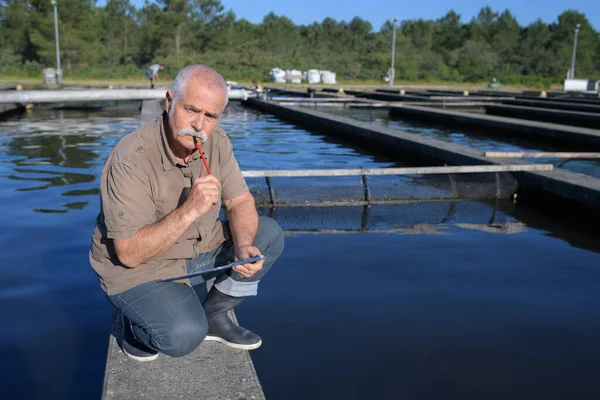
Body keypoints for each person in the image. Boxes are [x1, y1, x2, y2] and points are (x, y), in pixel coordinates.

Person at [89, 64, 284, 362]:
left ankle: (215, 314)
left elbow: (241, 201)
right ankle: (136, 322)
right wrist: (189, 210)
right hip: (137, 268)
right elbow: (127, 253)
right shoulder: (130, 160)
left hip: (193, 250)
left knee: (268, 235)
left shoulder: (215, 142)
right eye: (191, 110)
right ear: (169, 102)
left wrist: (243, 246)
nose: (199, 125)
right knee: (183, 336)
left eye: (210, 116)